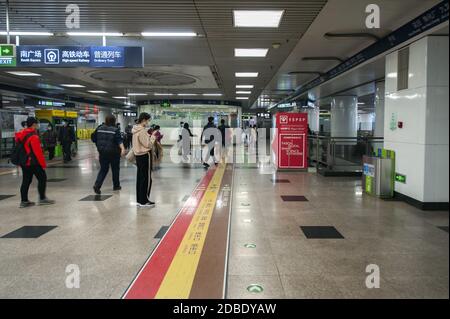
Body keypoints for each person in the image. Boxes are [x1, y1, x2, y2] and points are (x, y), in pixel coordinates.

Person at [15, 117, 55, 208]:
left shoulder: (22, 134)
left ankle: (24, 201)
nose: (38, 125)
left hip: (24, 162)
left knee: (26, 180)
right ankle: (42, 199)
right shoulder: (33, 136)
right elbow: (38, 153)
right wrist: (43, 164)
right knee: (42, 178)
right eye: (37, 123)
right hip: (33, 162)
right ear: (33, 124)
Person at [91, 115, 126, 195]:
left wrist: (98, 145)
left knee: (103, 169)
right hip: (114, 153)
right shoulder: (115, 129)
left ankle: (97, 185)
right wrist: (123, 149)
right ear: (114, 121)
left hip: (103, 152)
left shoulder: (99, 128)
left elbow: (93, 138)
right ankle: (116, 186)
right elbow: (119, 140)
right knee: (115, 169)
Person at [132, 112, 156, 208]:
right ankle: (144, 201)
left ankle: (140, 200)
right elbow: (148, 145)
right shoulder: (141, 130)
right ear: (143, 120)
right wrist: (153, 136)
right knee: (145, 178)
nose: (148, 122)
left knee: (140, 178)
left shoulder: (135, 129)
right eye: (148, 120)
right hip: (144, 155)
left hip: (138, 156)